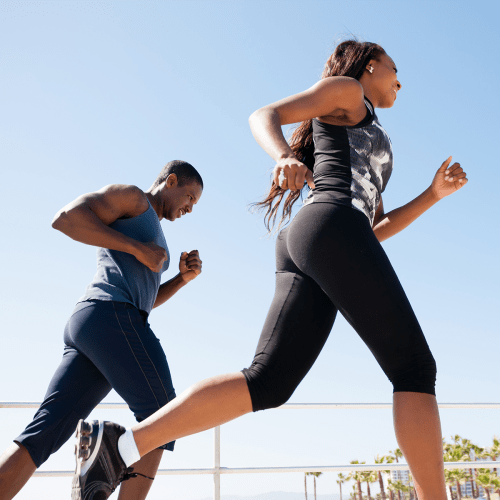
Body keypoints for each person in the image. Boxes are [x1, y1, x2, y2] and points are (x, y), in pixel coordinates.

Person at [71, 40, 468, 500]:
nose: (401, 80)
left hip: (325, 236)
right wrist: (283, 155)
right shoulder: (345, 91)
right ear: (371, 66)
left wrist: (433, 195)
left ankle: (120, 446)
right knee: (415, 367)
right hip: (329, 224)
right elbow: (264, 114)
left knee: (269, 382)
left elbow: (373, 229)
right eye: (396, 68)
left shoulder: (372, 131)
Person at [0, 160, 204, 500]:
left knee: (42, 436)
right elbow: (65, 218)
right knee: (164, 415)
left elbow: (144, 301)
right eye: (190, 197)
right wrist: (139, 249)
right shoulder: (134, 199)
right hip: (110, 316)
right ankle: (103, 461)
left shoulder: (155, 231)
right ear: (171, 181)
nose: (190, 208)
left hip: (99, 325)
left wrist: (180, 279)